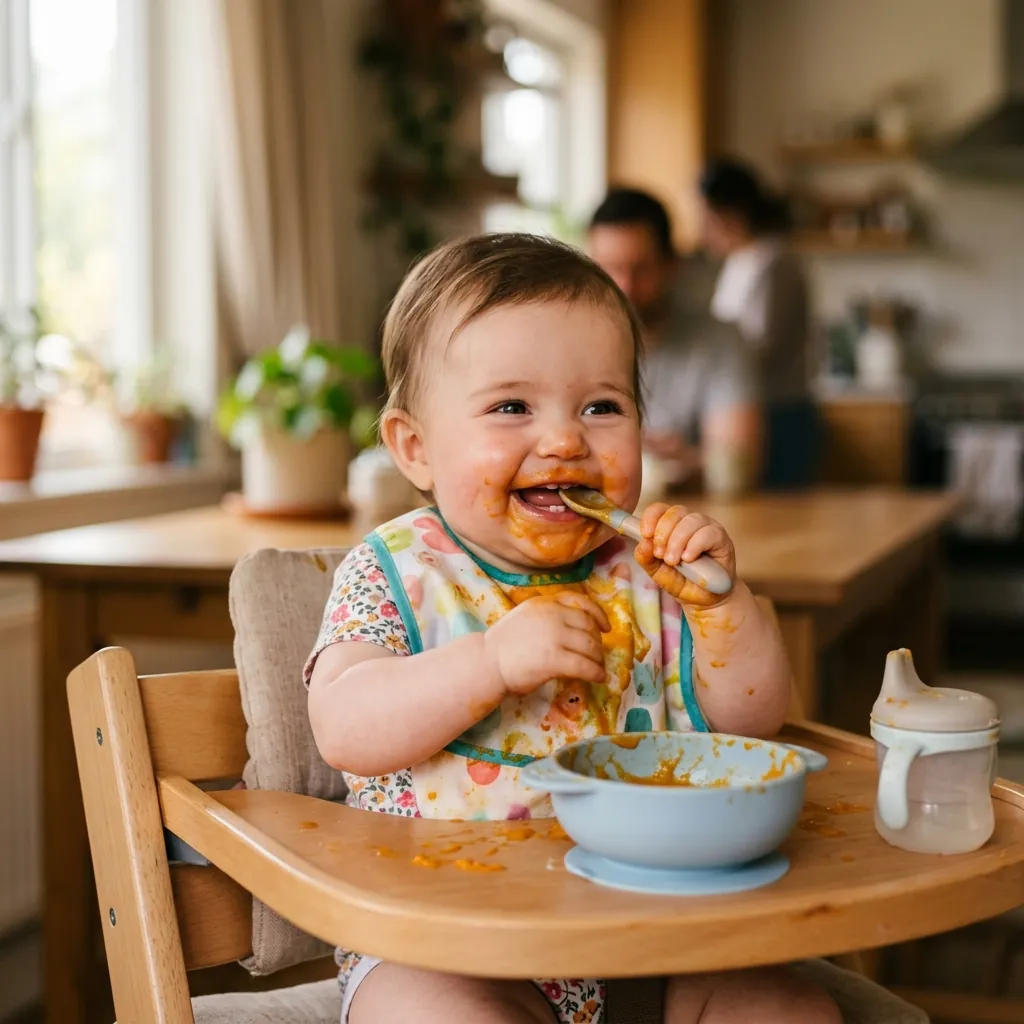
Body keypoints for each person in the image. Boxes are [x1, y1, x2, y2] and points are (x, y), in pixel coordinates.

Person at [306, 233, 840, 1024]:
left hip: (652, 933)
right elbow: (344, 725)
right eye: (511, 407)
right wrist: (489, 662)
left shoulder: (644, 572)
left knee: (785, 1009)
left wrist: (722, 611)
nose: (565, 440)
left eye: (602, 407)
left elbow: (751, 724)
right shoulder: (399, 571)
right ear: (415, 448)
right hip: (447, 945)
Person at [587, 187, 761, 490]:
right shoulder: (568, 344)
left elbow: (737, 463)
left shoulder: (719, 340)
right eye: (610, 269)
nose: (625, 286)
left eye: (640, 269)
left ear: (671, 264)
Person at [699, 158, 818, 489]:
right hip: (750, 405)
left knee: (778, 508)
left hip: (779, 410)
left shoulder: (774, 262)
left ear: (730, 215)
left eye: (706, 217)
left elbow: (760, 344)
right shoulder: (739, 261)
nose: (702, 229)